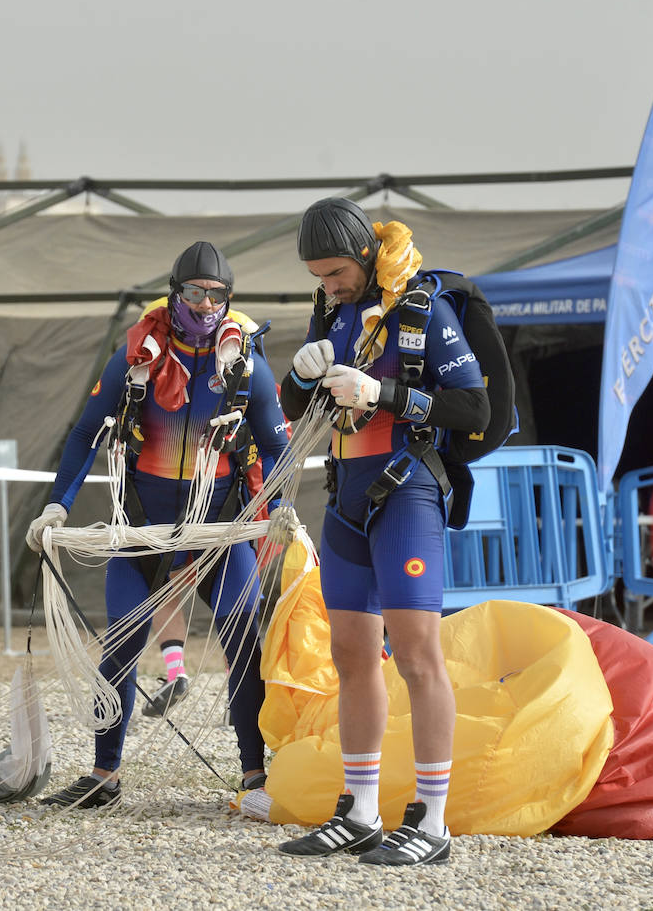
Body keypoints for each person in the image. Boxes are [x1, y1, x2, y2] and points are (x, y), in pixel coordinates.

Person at [26, 241, 292, 808]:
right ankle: (104, 774)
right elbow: (84, 431)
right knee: (120, 644)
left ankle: (254, 774)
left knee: (243, 643)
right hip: (143, 525)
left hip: (220, 525)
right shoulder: (135, 356)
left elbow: (276, 444)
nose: (205, 304)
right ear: (173, 295)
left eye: (217, 294)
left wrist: (280, 503)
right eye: (194, 292)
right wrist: (58, 505)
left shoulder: (246, 364)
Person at [276, 197, 490, 866]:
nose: (329, 286)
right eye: (318, 275)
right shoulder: (332, 311)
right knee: (350, 654)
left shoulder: (423, 306)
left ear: (367, 256)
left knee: (418, 653)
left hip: (407, 493)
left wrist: (385, 394)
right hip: (345, 498)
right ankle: (361, 807)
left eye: (336, 272)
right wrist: (299, 374)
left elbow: (473, 405)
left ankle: (432, 816)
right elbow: (296, 407)